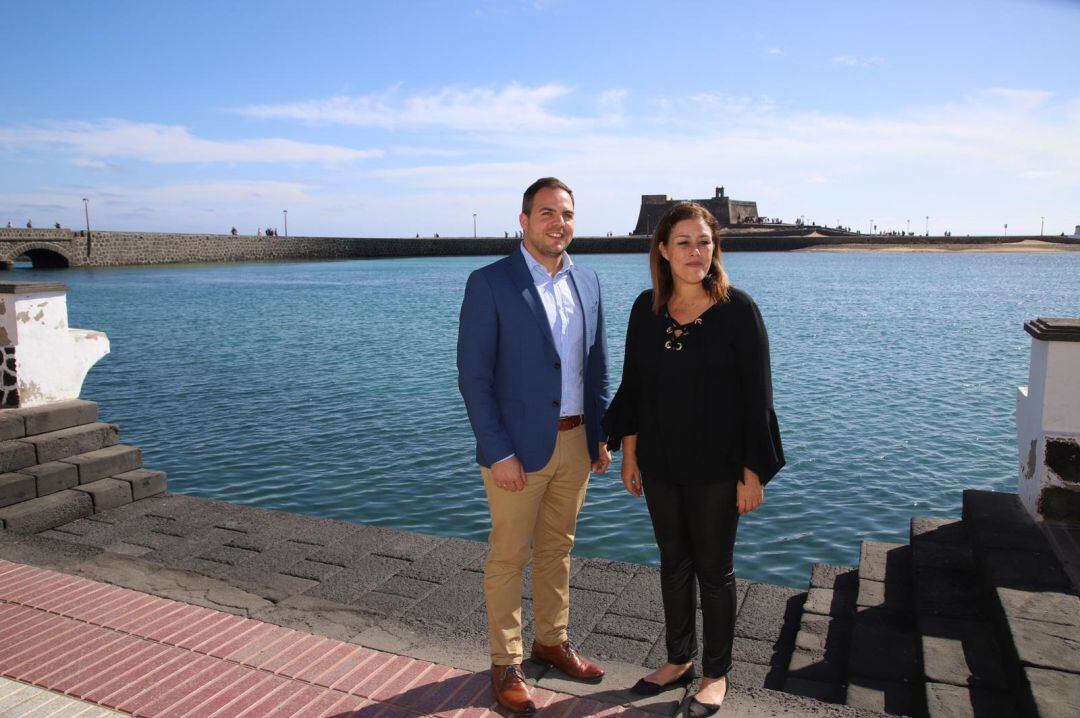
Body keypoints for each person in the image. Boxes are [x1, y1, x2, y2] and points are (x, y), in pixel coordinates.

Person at [603, 202, 784, 717]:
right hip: (659, 460)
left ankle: (715, 674)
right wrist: (629, 455)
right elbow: (633, 387)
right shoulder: (646, 308)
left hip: (718, 466)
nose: (695, 252)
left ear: (715, 248)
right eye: (683, 242)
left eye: (703, 242)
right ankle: (678, 659)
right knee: (673, 563)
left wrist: (752, 473)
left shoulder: (737, 310)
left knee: (713, 569)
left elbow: (758, 399)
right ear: (662, 250)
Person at [458, 177, 611, 715]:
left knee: (558, 551)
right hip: (516, 450)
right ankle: (507, 661)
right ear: (523, 221)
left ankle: (553, 640)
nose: (558, 222)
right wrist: (497, 452)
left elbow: (597, 368)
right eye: (546, 213)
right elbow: (473, 377)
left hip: (576, 443)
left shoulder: (587, 280)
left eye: (566, 213)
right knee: (508, 556)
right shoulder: (490, 283)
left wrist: (601, 435)